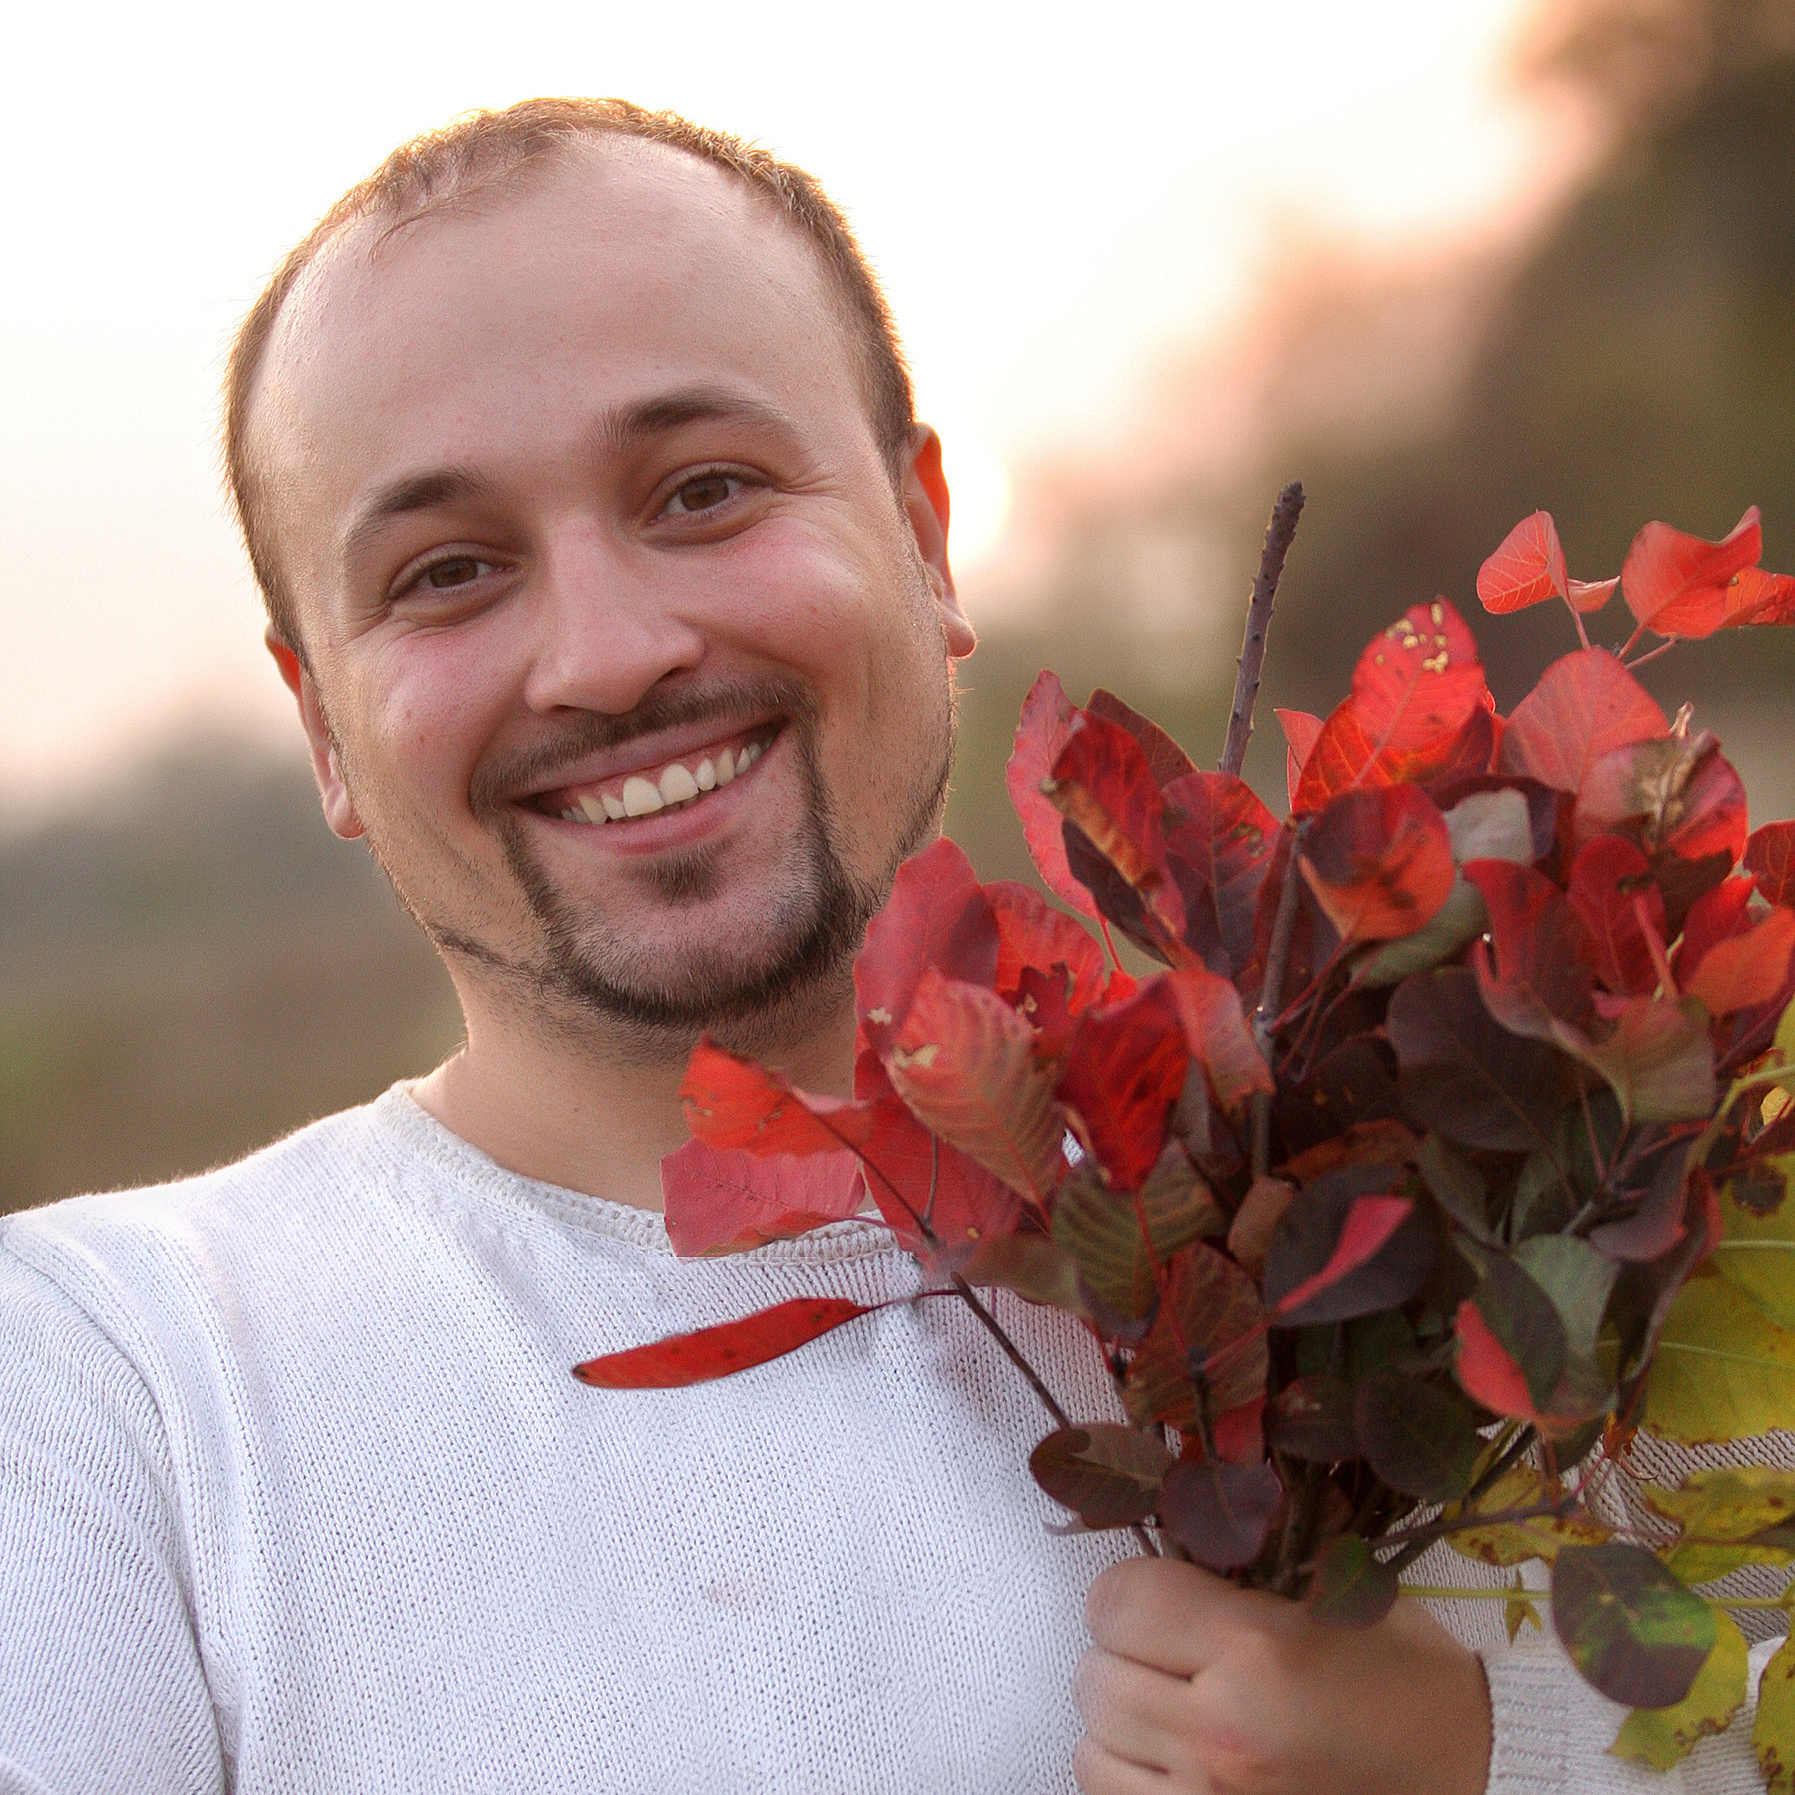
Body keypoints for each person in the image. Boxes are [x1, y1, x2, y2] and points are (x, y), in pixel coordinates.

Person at [0, 98, 1783, 1795]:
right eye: (447, 572)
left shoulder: (1482, 1205)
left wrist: (1495, 1758)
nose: (608, 654)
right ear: (323, 726)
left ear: (927, 539)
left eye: (703, 489)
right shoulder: (110, 1381)